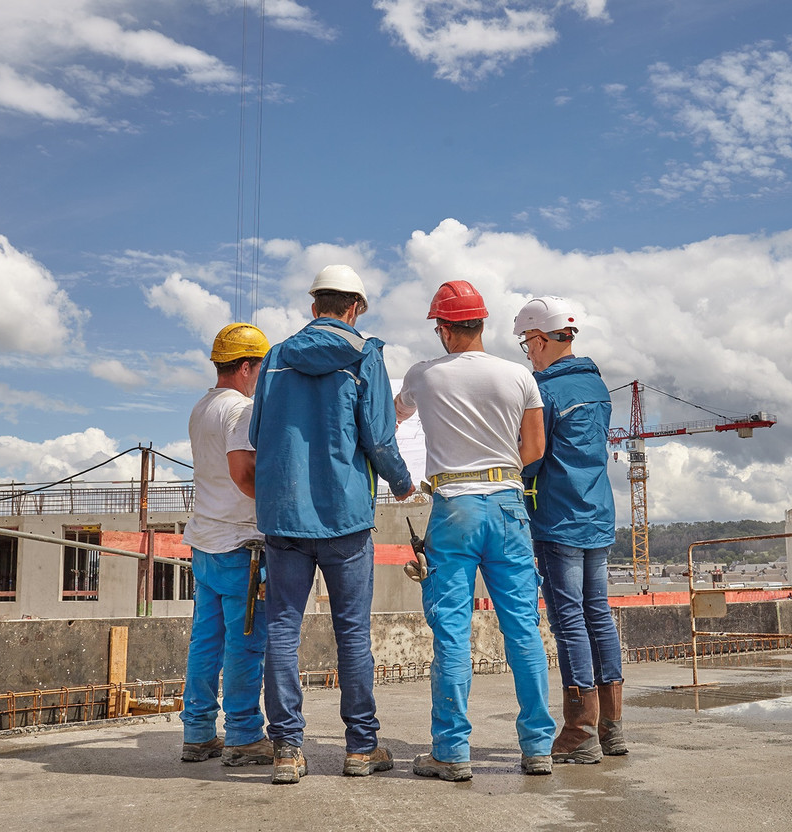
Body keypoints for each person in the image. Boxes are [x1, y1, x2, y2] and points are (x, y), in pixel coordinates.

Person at [250, 264, 415, 785]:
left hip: (284, 515)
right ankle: (361, 750)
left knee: (281, 628)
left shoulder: (276, 357)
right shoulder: (366, 354)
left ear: (313, 303)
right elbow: (380, 437)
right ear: (356, 307)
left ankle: (287, 750)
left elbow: (257, 432)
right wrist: (402, 481)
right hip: (344, 516)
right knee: (352, 633)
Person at [395, 280, 557, 782]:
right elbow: (534, 450)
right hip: (508, 504)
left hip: (454, 506)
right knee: (523, 629)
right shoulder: (519, 377)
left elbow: (394, 416)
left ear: (443, 327)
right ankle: (536, 748)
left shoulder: (424, 375)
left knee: (452, 631)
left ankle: (452, 751)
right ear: (483, 323)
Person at [514, 297, 627, 763]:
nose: (528, 353)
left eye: (527, 344)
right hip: (597, 511)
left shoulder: (545, 391)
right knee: (597, 614)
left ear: (542, 338)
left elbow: (534, 454)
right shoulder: (597, 385)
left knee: (569, 620)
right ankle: (611, 727)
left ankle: (580, 731)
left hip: (559, 517)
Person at [180, 322, 274, 767]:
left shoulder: (202, 407)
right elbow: (244, 474)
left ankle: (198, 732)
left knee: (206, 641)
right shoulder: (240, 409)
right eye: (261, 368)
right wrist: (282, 505)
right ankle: (243, 734)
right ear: (246, 367)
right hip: (241, 544)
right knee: (245, 643)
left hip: (205, 542)